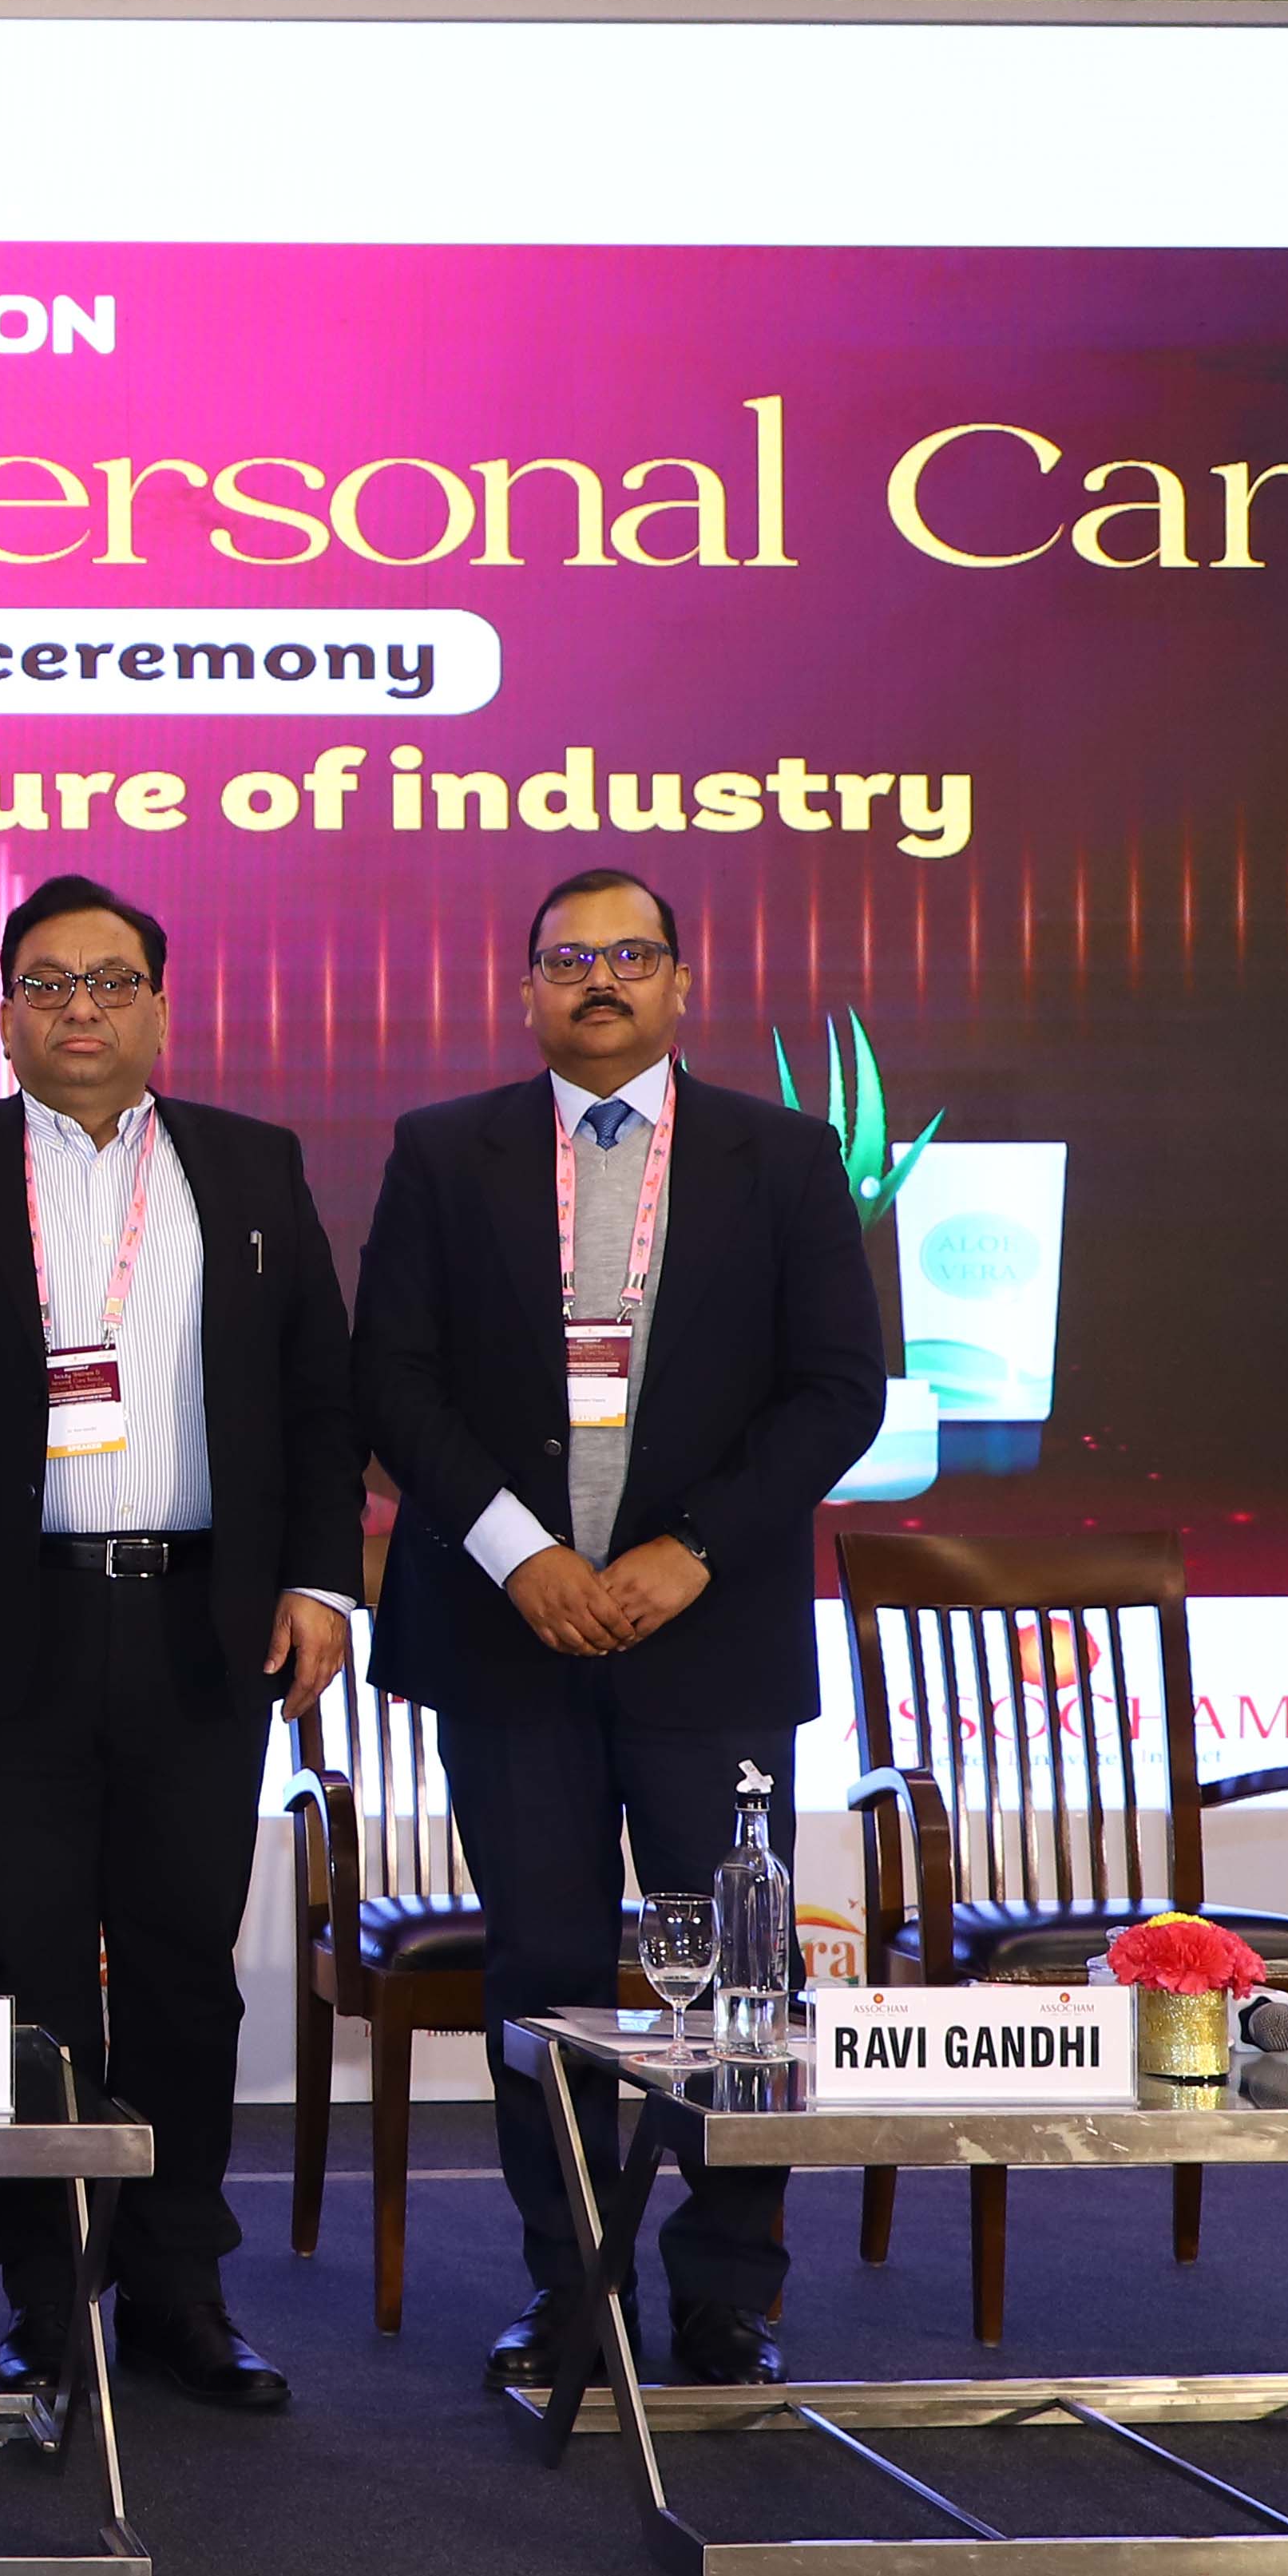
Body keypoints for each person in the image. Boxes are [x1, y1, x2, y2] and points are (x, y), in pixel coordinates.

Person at [348, 865, 882, 2395]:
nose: (601, 980)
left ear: (680, 983)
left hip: (706, 1634)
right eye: (569, 958)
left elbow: (837, 1391)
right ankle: (570, 2288)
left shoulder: (783, 1156)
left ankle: (729, 2296)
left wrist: (690, 1552)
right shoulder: (442, 1152)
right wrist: (520, 1555)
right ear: (526, 990)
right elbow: (393, 1379)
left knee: (742, 1979)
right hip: (505, 1628)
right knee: (547, 1972)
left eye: (631, 956)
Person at [0, 874, 360, 2412]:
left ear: (159, 1005)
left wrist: (321, 1583)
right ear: (5, 1012)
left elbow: (321, 1393)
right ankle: (47, 2289)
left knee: (182, 1964)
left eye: (113, 982)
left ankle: (181, 2290)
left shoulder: (252, 1164)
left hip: (206, 1624)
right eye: (49, 984)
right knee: (26, 1972)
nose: (81, 1008)